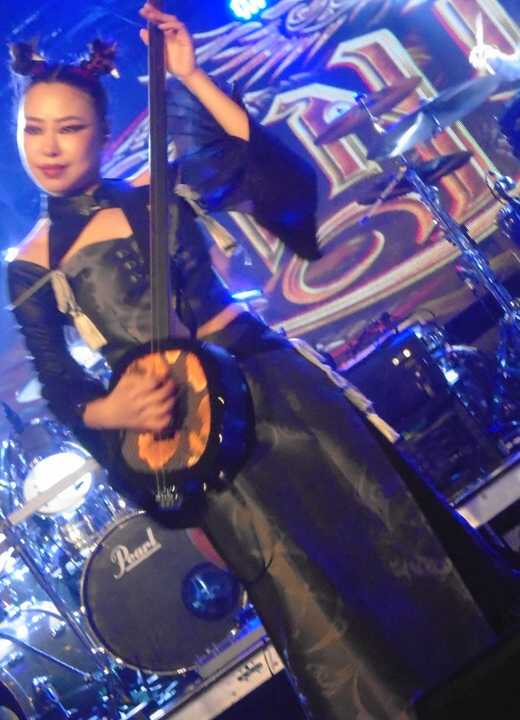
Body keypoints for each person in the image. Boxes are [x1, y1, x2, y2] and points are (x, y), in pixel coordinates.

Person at [6, 4, 520, 719]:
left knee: (396, 535)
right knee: (309, 598)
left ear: (99, 130)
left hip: (279, 384)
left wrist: (191, 76)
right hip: (203, 437)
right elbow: (61, 387)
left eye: (69, 127)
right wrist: (110, 409)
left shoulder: (159, 193)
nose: (49, 146)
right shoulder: (32, 264)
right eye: (33, 129)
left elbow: (270, 175)